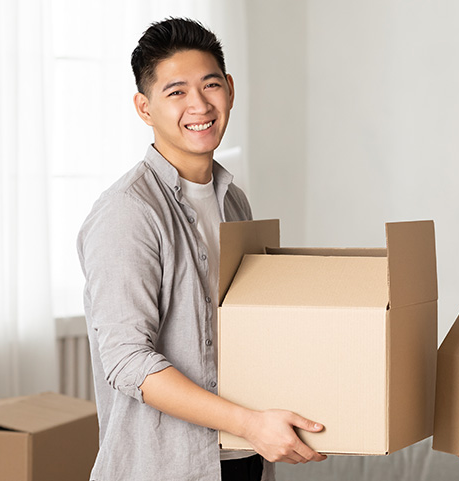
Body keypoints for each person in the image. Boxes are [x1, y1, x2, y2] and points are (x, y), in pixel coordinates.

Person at [77, 18, 326, 481]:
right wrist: (250, 423)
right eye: (176, 92)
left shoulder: (233, 199)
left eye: (210, 85)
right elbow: (128, 360)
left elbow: (251, 329)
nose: (199, 105)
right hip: (164, 467)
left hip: (243, 459)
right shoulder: (127, 213)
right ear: (144, 107)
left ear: (229, 89)